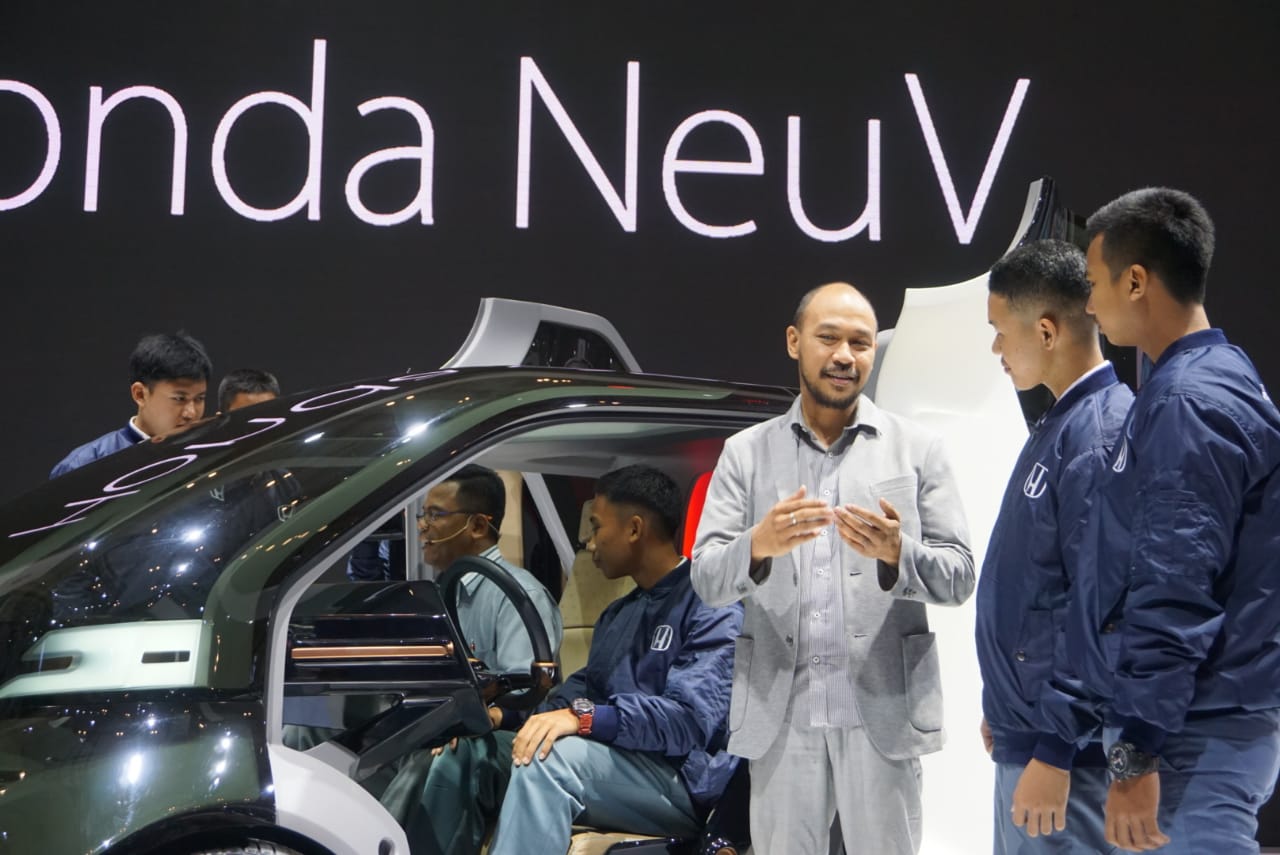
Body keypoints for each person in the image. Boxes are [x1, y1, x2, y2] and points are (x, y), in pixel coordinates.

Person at [691, 282, 975, 855]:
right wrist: (758, 545)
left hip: (883, 711)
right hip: (781, 716)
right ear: (795, 342)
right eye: (829, 338)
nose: (845, 355)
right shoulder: (746, 453)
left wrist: (899, 554)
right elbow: (706, 579)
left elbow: (960, 575)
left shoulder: (918, 448)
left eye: (860, 343)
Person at [1040, 188, 1280, 853]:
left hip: (1190, 736)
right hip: (1195, 724)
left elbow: (1175, 584)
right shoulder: (1202, 381)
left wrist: (1137, 751)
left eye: (1094, 284)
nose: (1089, 305)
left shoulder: (1187, 401)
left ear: (1137, 281)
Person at [413, 464, 743, 855]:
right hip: (612, 759)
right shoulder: (619, 614)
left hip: (678, 781)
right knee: (467, 752)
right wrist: (503, 718)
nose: (588, 542)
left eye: (596, 527)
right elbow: (582, 690)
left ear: (634, 529)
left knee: (547, 759)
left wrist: (583, 718)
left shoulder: (710, 604)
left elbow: (688, 722)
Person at [975, 240, 1132, 853]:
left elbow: (1101, 609)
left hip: (1068, 761)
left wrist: (1057, 745)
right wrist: (1008, 705)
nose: (996, 349)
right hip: (1035, 738)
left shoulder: (1098, 435)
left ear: (1045, 330)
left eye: (999, 331)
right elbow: (1039, 585)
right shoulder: (1063, 423)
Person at [376, 464, 563, 825]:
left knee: (446, 753)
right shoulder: (442, 593)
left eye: (436, 515)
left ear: (477, 525)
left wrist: (463, 719)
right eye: (422, 515)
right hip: (449, 730)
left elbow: (523, 698)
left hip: (509, 741)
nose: (422, 526)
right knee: (317, 733)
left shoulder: (520, 595)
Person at [50, 331, 211, 477]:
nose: (191, 413)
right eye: (179, 399)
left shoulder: (211, 457)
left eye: (199, 399)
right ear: (140, 394)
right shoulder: (81, 466)